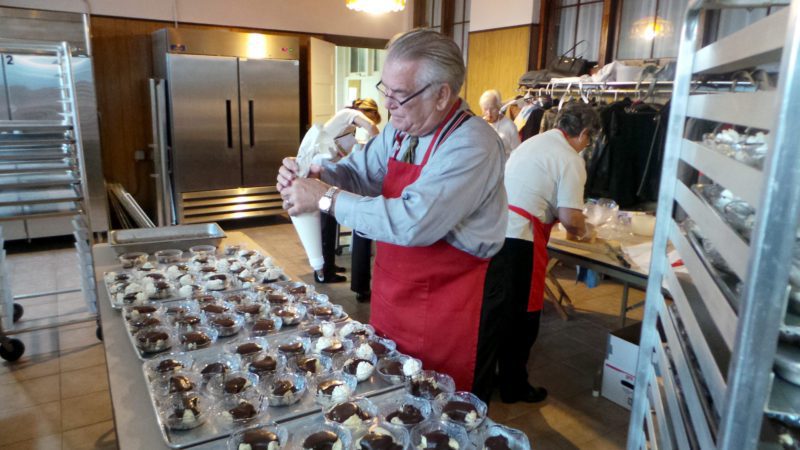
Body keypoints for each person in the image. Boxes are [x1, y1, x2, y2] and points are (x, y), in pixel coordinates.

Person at [277, 28, 507, 400]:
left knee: (443, 403)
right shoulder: (401, 132)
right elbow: (358, 174)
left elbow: (412, 222)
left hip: (453, 302)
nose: (388, 105)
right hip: (395, 293)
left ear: (441, 95)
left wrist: (325, 198)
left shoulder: (472, 143)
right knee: (391, 392)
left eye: (400, 95)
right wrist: (315, 175)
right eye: (386, 90)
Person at [495, 102, 599, 403]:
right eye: (589, 138)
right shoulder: (570, 158)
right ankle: (514, 387)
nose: (588, 145)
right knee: (524, 317)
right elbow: (570, 218)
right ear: (583, 132)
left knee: (501, 312)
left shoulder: (535, 142)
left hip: (496, 228)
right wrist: (586, 231)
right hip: (521, 238)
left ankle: (496, 377)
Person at [317, 99, 381, 284]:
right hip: (320, 172)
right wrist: (379, 146)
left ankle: (329, 265)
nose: (369, 122)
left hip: (329, 173)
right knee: (326, 226)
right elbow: (372, 129)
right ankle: (324, 272)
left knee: (330, 223)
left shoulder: (348, 127)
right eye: (371, 117)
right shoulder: (349, 114)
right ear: (367, 112)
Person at [479, 89, 520, 155]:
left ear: (499, 107)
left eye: (492, 108)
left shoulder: (509, 126)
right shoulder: (480, 125)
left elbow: (517, 152)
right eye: (485, 109)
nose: (489, 113)